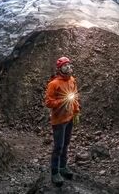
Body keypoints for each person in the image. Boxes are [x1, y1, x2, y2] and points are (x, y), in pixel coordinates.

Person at [44, 56, 80, 185]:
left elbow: (75, 97)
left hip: (69, 118)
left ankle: (63, 167)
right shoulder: (53, 84)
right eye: (65, 66)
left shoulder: (72, 81)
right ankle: (55, 172)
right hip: (58, 120)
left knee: (65, 145)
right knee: (58, 146)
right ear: (60, 68)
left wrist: (76, 111)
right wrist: (62, 101)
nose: (68, 68)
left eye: (69, 65)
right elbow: (48, 102)